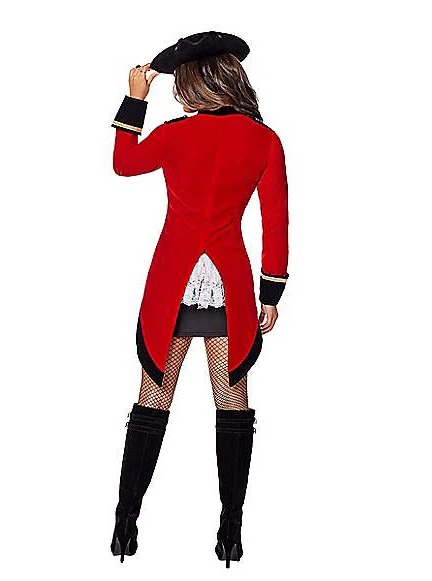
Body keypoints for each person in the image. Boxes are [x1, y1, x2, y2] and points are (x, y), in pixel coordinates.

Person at [109, 31, 289, 568]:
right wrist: (271, 291)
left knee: (153, 398)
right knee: (232, 400)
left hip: (174, 283)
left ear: (194, 83)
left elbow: (123, 163)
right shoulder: (265, 140)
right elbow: (275, 222)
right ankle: (231, 531)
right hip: (229, 286)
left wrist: (135, 98)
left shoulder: (174, 135)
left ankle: (124, 524)